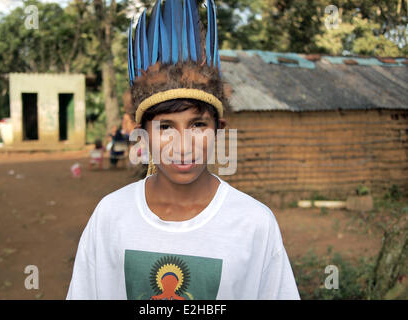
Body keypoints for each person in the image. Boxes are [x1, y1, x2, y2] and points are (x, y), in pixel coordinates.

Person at [67, 0, 299, 300]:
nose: (183, 145)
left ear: (219, 129)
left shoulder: (254, 223)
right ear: (144, 135)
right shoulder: (110, 216)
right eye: (165, 127)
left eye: (197, 125)